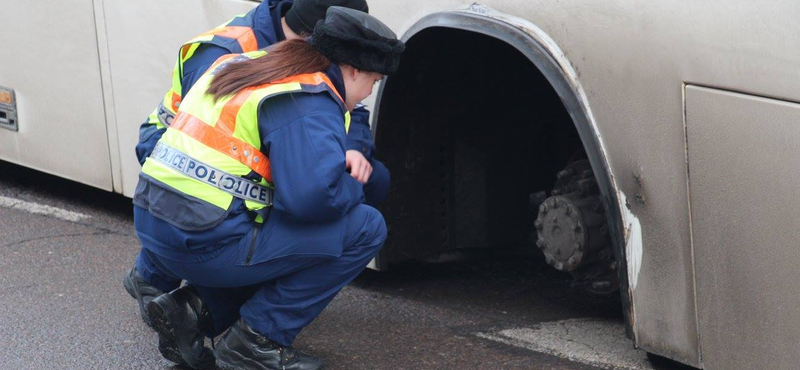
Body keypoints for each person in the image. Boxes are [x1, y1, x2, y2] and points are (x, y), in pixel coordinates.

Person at [132, 7, 404, 370]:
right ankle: (257, 338)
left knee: (279, 227)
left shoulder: (253, 63)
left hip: (155, 227)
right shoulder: (308, 98)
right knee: (365, 226)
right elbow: (312, 200)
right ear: (353, 70)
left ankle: (194, 310)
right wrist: (355, 184)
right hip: (199, 243)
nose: (368, 93)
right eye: (372, 82)